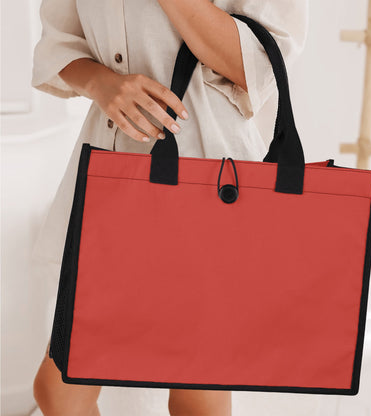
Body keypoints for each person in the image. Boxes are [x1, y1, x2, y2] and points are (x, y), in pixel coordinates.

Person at [30, 0, 308, 414]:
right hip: (110, 174)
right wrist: (103, 84)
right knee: (59, 389)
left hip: (209, 178)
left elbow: (259, 65)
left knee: (196, 392)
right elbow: (60, 43)